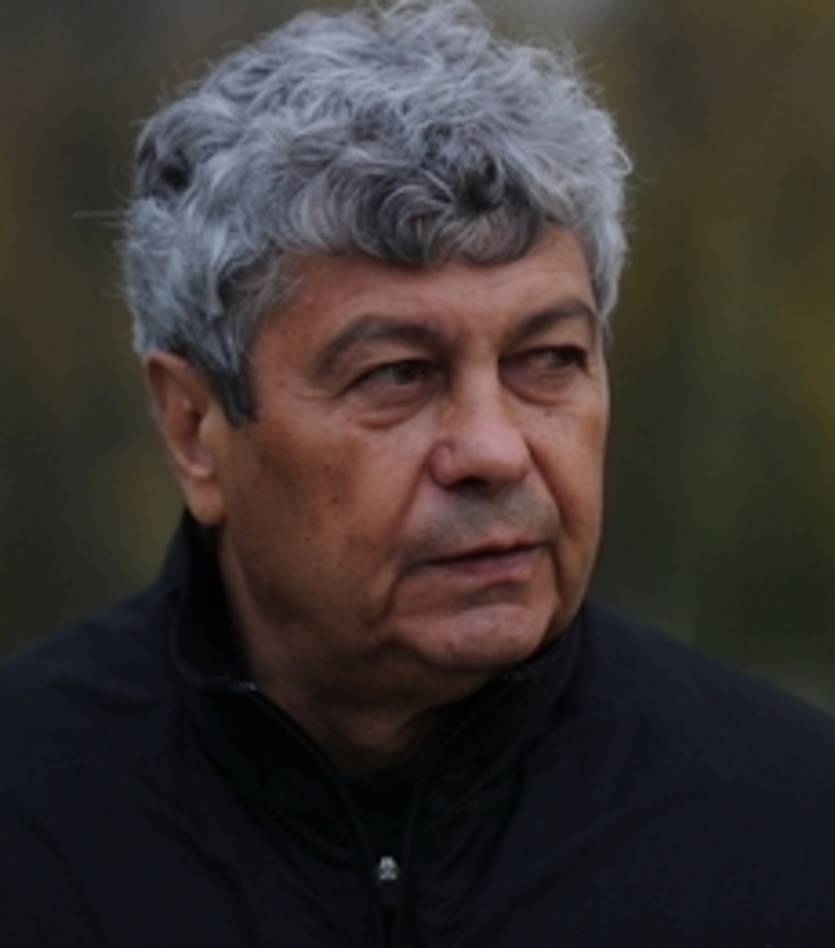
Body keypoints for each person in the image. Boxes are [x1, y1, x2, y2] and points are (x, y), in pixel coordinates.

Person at [2, 1, 834, 945]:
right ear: (195, 429)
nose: (493, 450)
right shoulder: (29, 825)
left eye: (548, 359)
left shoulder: (790, 832)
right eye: (397, 374)